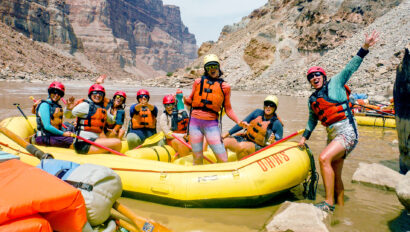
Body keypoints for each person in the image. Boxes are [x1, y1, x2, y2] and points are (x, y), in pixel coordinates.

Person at [298, 31, 379, 212]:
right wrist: (304, 137)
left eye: (317, 75)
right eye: (311, 77)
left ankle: (328, 204)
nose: (314, 78)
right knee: (335, 174)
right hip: (332, 135)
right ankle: (341, 211)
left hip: (347, 131)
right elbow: (312, 121)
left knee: (323, 158)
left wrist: (365, 47)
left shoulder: (336, 83)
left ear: (323, 76)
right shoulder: (312, 100)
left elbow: (351, 66)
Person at [184, 54, 241, 164]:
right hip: (194, 124)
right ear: (206, 69)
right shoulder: (197, 82)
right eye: (209, 67)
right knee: (197, 158)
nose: (212, 69)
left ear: (218, 67)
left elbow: (228, 109)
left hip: (211, 125)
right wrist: (182, 100)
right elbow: (190, 101)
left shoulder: (225, 87)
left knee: (223, 158)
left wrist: (238, 121)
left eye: (214, 66)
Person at [65, 84, 122, 154]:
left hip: (93, 141)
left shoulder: (102, 109)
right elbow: (69, 115)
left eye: (100, 93)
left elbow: (111, 121)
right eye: (95, 93)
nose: (98, 95)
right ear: (90, 94)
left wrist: (116, 114)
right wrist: (68, 109)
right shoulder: (85, 105)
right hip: (84, 143)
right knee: (117, 142)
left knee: (109, 141)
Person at [223, 95, 283, 159]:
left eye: (271, 105)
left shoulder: (277, 124)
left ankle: (241, 165)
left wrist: (273, 141)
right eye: (266, 104)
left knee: (242, 147)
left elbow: (279, 143)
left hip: (260, 147)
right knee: (224, 142)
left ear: (275, 108)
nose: (268, 107)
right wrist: (227, 133)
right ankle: (223, 164)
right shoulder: (257, 113)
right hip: (247, 139)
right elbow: (241, 124)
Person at [34, 81, 74, 148]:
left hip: (54, 136)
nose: (56, 95)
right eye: (54, 92)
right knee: (72, 140)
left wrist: (68, 108)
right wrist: (63, 134)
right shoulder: (44, 105)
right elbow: (47, 126)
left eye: (59, 94)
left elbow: (68, 117)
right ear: (50, 92)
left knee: (71, 128)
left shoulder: (56, 106)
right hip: (44, 137)